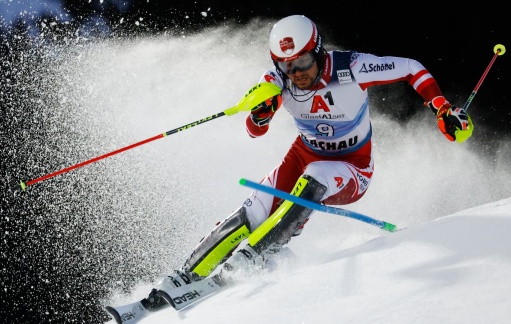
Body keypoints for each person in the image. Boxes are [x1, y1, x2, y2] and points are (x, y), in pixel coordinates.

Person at [143, 14, 473, 309]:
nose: (296, 73)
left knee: (316, 175)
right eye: (286, 66)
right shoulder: (275, 80)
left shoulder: (351, 67)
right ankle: (186, 275)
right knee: (257, 205)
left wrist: (441, 107)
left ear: (318, 51)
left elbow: (411, 68)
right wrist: (261, 115)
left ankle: (255, 256)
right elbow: (253, 130)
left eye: (302, 62)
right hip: (303, 154)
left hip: (352, 167)